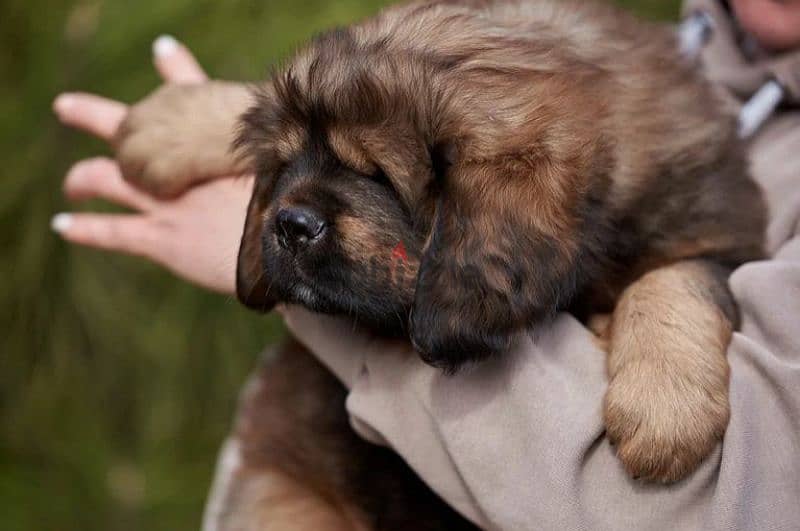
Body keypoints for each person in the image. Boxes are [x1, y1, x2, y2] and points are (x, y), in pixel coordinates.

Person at [52, 1, 800, 529]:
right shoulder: (604, 48)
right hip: (320, 482)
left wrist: (673, 296)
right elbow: (383, 105)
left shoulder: (646, 168)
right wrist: (251, 132)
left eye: (372, 176)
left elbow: (700, 500)